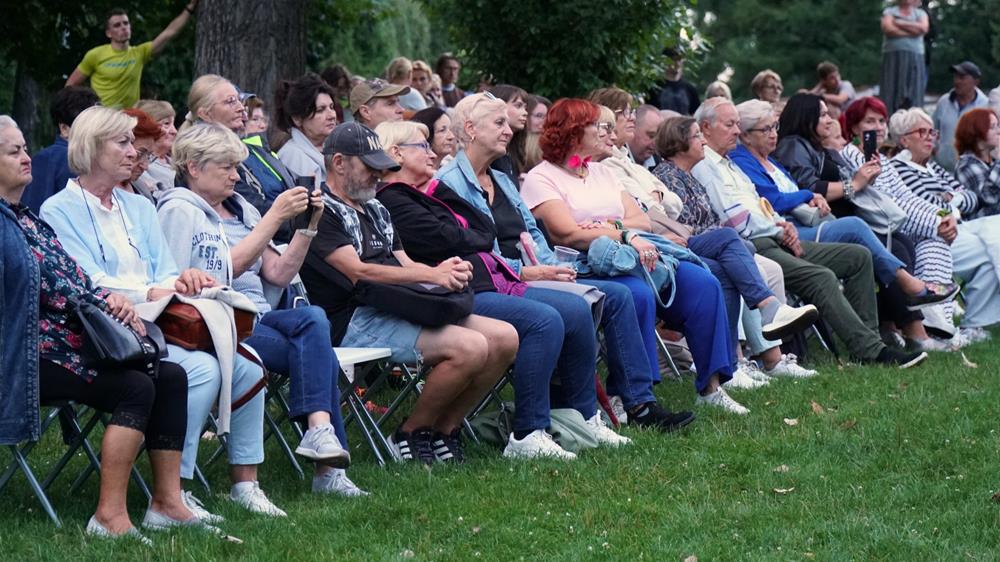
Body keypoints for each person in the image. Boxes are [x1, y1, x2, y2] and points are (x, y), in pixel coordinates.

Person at [39, 106, 283, 520]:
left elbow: (165, 271)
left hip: (159, 318)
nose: (134, 151)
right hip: (107, 329)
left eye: (133, 143)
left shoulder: (138, 208)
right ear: (92, 148)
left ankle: (246, 483)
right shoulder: (58, 210)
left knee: (249, 366)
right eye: (123, 142)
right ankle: (175, 491)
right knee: (200, 370)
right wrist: (152, 289)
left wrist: (183, 279)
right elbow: (87, 280)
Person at [0, 115, 203, 544]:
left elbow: (73, 279)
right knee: (135, 385)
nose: (26, 157)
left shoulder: (28, 220)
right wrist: (94, 302)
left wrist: (111, 302)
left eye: (23, 147)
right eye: (14, 151)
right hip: (24, 353)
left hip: (63, 338)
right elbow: (51, 292)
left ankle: (166, 503)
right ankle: (109, 515)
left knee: (170, 375)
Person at [377, 120, 635, 457]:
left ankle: (585, 416)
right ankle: (528, 432)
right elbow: (455, 236)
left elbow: (484, 230)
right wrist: (460, 224)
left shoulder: (431, 191)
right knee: (544, 320)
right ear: (395, 153)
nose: (432, 152)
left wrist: (446, 204)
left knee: (576, 309)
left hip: (485, 282)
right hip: (453, 294)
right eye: (422, 146)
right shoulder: (394, 200)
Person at [436, 94, 700, 423]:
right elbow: (472, 250)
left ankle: (637, 404)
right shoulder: (449, 184)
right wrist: (530, 271)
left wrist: (554, 267)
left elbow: (531, 232)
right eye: (500, 123)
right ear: (471, 129)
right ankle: (568, 417)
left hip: (534, 271)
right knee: (579, 305)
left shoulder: (501, 179)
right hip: (496, 282)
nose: (509, 130)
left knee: (618, 295)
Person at [157, 122, 367, 495]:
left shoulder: (241, 211)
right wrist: (275, 217)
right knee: (319, 347)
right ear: (193, 166)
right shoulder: (178, 210)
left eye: (238, 167)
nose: (237, 176)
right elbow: (219, 271)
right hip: (216, 322)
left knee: (314, 323)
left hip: (260, 319)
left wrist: (307, 228)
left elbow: (279, 273)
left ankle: (321, 440)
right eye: (227, 167)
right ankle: (326, 469)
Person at [515, 97, 759, 414]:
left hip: (638, 255)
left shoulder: (601, 172)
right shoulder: (541, 177)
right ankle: (637, 397)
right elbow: (568, 234)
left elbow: (641, 220)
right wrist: (624, 233)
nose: (606, 131)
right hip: (588, 265)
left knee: (703, 282)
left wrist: (609, 225)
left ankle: (711, 387)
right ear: (574, 131)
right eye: (596, 125)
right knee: (637, 294)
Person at [299, 121, 517, 464]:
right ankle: (408, 433)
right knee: (470, 347)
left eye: (380, 167)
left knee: (505, 338)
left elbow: (403, 263)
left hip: (395, 307)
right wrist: (434, 274)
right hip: (351, 320)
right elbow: (357, 271)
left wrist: (445, 274)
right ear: (338, 163)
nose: (378, 175)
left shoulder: (375, 208)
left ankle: (445, 430)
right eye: (370, 166)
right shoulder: (320, 210)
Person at [689, 97, 930, 369]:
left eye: (774, 127)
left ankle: (870, 343)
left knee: (859, 257)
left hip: (778, 234)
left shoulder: (729, 163)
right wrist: (783, 225)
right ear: (706, 128)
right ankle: (873, 350)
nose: (736, 131)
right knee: (826, 269)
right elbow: (738, 218)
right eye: (731, 125)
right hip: (755, 246)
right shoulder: (709, 165)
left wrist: (782, 224)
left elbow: (761, 204)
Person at [735, 97, 952, 351]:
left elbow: (904, 196)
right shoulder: (767, 153)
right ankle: (909, 294)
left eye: (775, 127)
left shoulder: (773, 160)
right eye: (767, 129)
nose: (774, 134)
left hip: (806, 223)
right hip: (788, 232)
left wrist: (943, 215)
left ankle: (875, 338)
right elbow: (774, 198)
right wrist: (816, 194)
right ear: (746, 135)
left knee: (878, 250)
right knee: (858, 229)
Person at [642, 115, 823, 383]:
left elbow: (711, 221)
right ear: (680, 143)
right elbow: (679, 227)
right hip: (679, 249)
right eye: (696, 136)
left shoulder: (690, 177)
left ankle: (758, 358)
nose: (703, 141)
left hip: (705, 246)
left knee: (741, 261)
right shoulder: (667, 177)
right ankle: (762, 320)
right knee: (733, 248)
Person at [840, 96, 960, 337]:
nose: (878, 127)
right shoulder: (852, 155)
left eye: (882, 121)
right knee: (907, 246)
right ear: (854, 128)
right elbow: (887, 202)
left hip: (894, 225)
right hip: (873, 226)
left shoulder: (882, 159)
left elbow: (908, 197)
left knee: (932, 242)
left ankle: (937, 317)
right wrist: (937, 223)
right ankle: (922, 321)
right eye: (870, 121)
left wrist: (943, 216)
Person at [889, 107, 999, 341]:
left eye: (933, 132)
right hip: (932, 234)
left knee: (991, 249)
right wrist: (951, 202)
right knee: (991, 248)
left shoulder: (933, 167)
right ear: (904, 139)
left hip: (957, 227)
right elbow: (923, 203)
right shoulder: (900, 168)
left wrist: (952, 201)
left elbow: (972, 197)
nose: (930, 137)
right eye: (923, 132)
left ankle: (974, 323)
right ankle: (950, 326)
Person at [183, 75, 297, 233]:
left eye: (239, 101)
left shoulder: (252, 148)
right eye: (230, 101)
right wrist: (300, 222)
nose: (242, 108)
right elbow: (255, 209)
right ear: (206, 114)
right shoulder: (204, 157)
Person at [66, 3, 198, 108]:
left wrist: (189, 8)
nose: (123, 27)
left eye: (126, 23)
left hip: (130, 119)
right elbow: (70, 85)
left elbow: (170, 32)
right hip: (103, 119)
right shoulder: (95, 55)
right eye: (117, 25)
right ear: (108, 33)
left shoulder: (139, 53)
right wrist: (87, 108)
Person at [22, 86, 100, 213]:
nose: (97, 131)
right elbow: (34, 210)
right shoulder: (54, 158)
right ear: (64, 128)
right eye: (88, 125)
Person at [274, 73, 339, 184]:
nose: (332, 115)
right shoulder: (292, 156)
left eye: (331, 107)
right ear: (297, 119)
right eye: (320, 110)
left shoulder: (337, 146)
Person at [933, 62, 990, 171]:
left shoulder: (986, 106)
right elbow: (933, 129)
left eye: (962, 77)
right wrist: (936, 148)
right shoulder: (944, 101)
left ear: (976, 82)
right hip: (942, 171)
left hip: (972, 174)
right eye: (955, 77)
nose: (956, 81)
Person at [879, 0, 929, 115]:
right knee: (890, 92)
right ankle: (888, 124)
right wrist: (913, 32)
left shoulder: (920, 13)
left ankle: (915, 124)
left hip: (915, 57)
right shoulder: (889, 11)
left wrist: (899, 23)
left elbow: (923, 29)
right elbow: (888, 29)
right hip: (892, 57)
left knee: (915, 92)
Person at [954, 108, 1000, 218]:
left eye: (998, 125)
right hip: (983, 231)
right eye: (993, 127)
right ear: (977, 133)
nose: (999, 131)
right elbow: (989, 197)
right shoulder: (965, 165)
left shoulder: (992, 162)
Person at [120, 108, 164, 202]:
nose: (145, 166)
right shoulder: (93, 195)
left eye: (149, 156)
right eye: (140, 154)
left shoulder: (142, 189)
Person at [134, 99, 178, 189]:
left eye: (173, 124)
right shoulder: (138, 165)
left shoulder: (177, 161)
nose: (174, 131)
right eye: (166, 124)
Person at [648, 48, 699, 115]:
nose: (677, 63)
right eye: (673, 60)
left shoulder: (690, 89)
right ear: (664, 62)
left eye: (679, 59)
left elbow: (696, 115)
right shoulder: (654, 88)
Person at [628, 105, 664, 169]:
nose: (655, 143)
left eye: (660, 138)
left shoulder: (659, 163)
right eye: (651, 136)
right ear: (632, 128)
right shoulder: (616, 159)